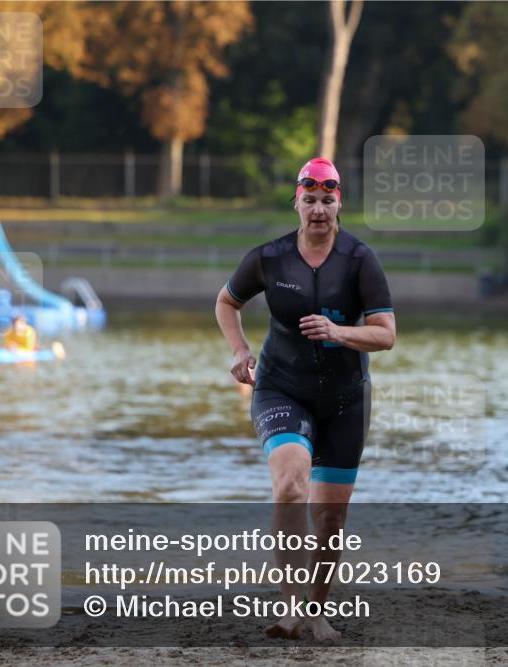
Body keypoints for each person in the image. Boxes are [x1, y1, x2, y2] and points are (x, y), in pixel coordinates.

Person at [215, 157, 396, 641]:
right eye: (310, 200)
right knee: (291, 484)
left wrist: (338, 330)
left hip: (345, 400)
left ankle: (316, 609)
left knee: (331, 516)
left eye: (327, 200)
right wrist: (238, 350)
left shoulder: (360, 260)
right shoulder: (269, 258)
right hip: (281, 387)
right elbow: (227, 301)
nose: (318, 210)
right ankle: (293, 606)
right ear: (296, 201)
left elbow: (387, 335)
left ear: (341, 203)